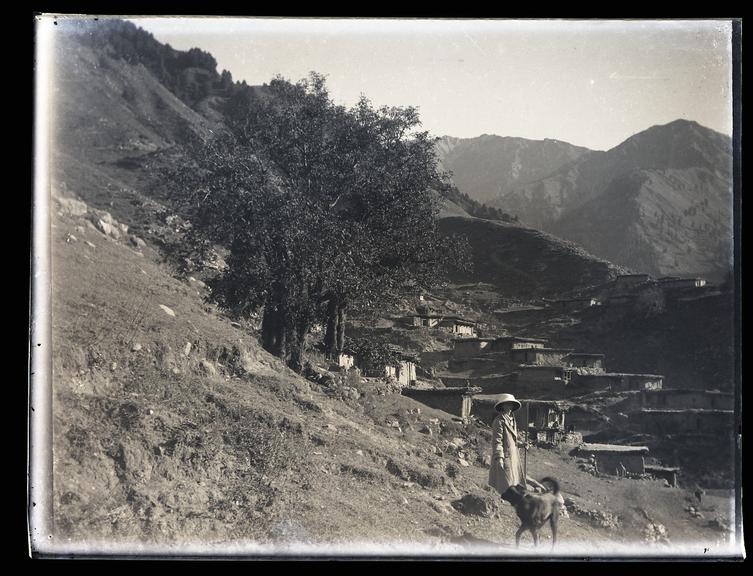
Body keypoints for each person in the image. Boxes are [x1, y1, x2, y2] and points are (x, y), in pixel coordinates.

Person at [489, 393, 526, 504]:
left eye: (511, 404)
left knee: (514, 479)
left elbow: (511, 440)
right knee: (505, 480)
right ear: (502, 406)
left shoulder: (512, 420)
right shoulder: (499, 421)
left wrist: (521, 444)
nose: (509, 407)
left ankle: (512, 500)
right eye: (507, 404)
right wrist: (499, 457)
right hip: (505, 455)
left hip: (514, 456)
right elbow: (497, 441)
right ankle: (503, 501)